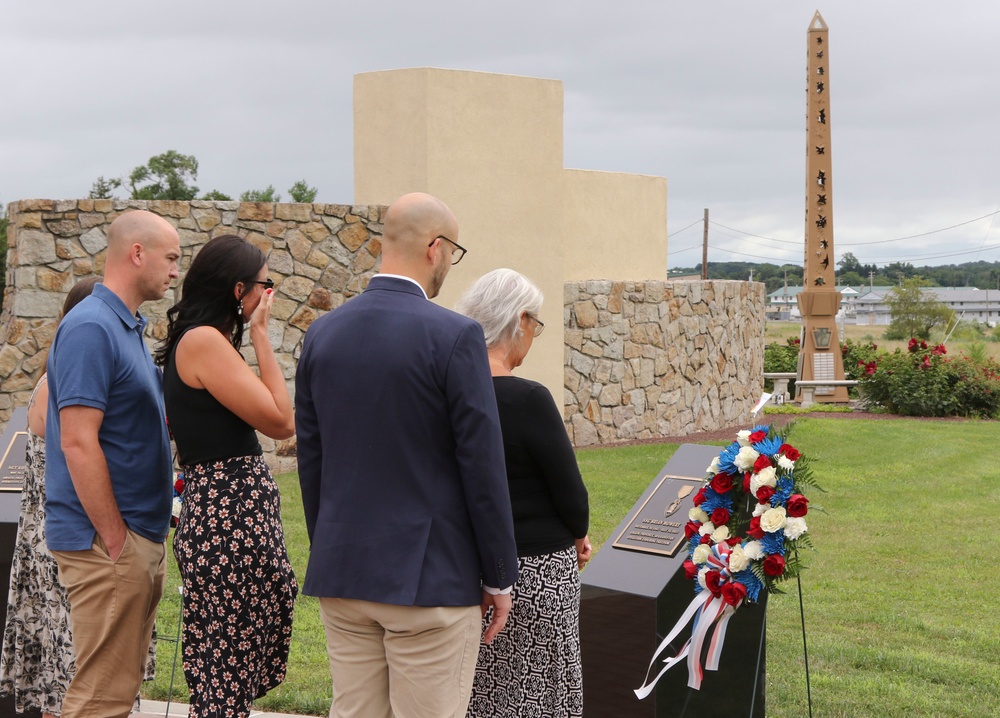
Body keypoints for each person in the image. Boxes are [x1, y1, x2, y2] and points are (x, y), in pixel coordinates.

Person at [295, 192, 519, 718]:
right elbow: (481, 463)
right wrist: (497, 575)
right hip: (430, 581)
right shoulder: (456, 336)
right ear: (435, 248)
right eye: (454, 252)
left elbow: (313, 458)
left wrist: (331, 543)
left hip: (344, 570)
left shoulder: (322, 333)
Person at [155, 234, 297, 717]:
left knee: (229, 666)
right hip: (227, 517)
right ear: (240, 290)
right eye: (265, 284)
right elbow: (281, 421)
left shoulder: (203, 339)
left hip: (229, 514)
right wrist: (260, 334)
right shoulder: (203, 342)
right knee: (224, 670)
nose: (268, 295)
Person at [45, 209, 179, 718]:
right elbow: (78, 442)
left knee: (115, 694)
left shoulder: (126, 326)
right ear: (136, 253)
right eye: (170, 258)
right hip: (106, 543)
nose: (174, 271)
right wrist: (115, 540)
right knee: (99, 700)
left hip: (133, 535)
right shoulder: (92, 328)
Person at [456, 268, 591, 718]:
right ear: (519, 320)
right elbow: (569, 490)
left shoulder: (447, 393)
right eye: (536, 325)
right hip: (537, 572)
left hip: (467, 570)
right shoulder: (528, 398)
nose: (533, 336)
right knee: (541, 694)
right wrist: (579, 535)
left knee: (482, 694)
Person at [0, 277, 98, 717]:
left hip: (45, 534)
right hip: (60, 536)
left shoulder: (51, 376)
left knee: (66, 657)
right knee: (71, 661)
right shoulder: (61, 384)